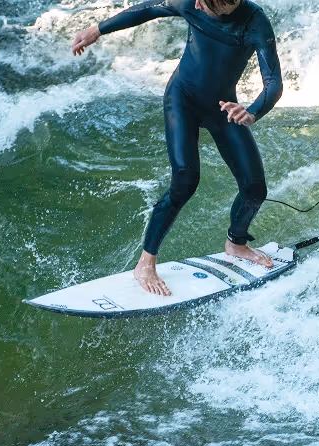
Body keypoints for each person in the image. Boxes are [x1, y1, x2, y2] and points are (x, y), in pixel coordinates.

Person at [72, 0, 283, 296]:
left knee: (255, 188)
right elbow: (147, 9)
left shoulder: (254, 21)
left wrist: (251, 112)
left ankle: (236, 244)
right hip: (182, 98)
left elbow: (273, 81)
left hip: (223, 108)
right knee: (185, 179)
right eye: (207, 3)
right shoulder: (189, 2)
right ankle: (145, 263)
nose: (198, 3)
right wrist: (97, 29)